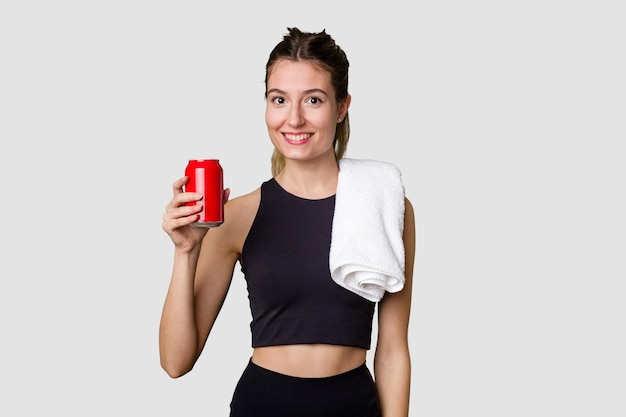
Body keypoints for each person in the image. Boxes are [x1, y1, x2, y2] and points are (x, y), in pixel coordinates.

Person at [160, 27, 415, 417]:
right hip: (263, 405)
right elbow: (176, 362)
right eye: (279, 100)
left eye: (313, 100)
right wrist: (185, 252)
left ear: (342, 106)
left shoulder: (385, 204)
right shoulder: (237, 216)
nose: (293, 119)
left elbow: (393, 349)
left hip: (353, 406)